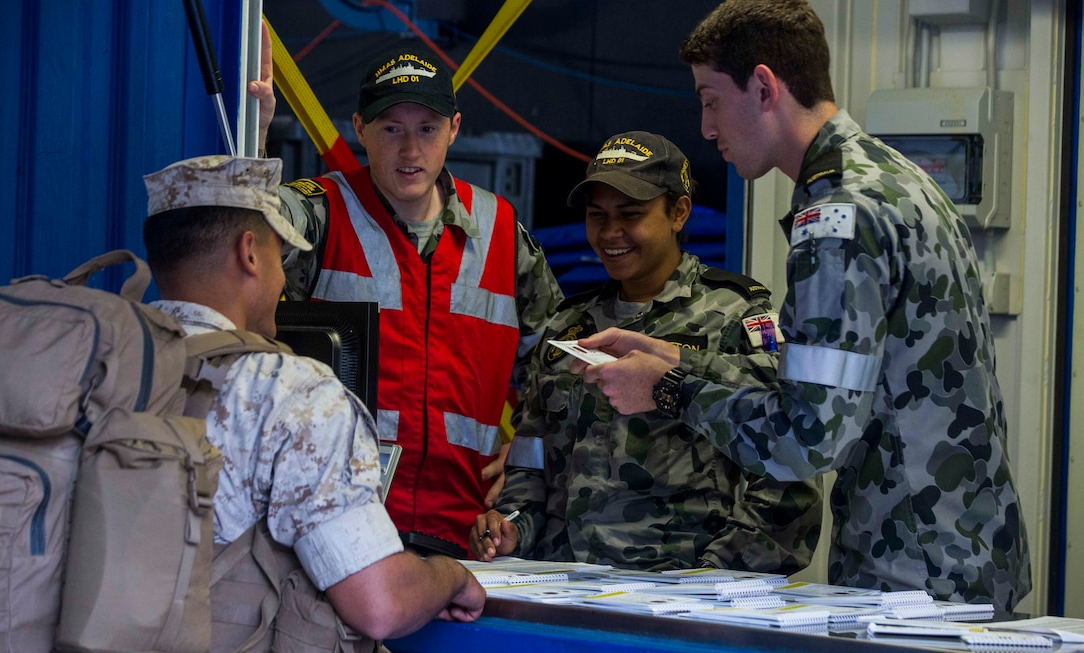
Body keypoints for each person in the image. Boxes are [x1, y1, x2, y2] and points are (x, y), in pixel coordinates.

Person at [571, 0, 1031, 611]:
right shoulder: (896, 177)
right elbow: (834, 379)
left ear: (763, 88)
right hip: (963, 550)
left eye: (711, 102)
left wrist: (668, 390)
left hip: (912, 576)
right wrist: (678, 357)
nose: (707, 130)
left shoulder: (834, 216)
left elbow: (811, 434)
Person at [141, 155, 486, 648]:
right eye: (280, 253)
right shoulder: (290, 392)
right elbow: (380, 605)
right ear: (250, 254)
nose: (284, 281)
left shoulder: (93, 366)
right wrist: (450, 575)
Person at [469, 131, 822, 574]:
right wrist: (512, 527)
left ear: (678, 212)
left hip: (680, 597)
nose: (610, 233)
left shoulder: (735, 318)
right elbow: (529, 466)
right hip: (566, 589)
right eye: (597, 215)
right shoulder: (568, 326)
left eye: (630, 215)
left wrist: (713, 575)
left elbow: (791, 472)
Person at [260, 44, 563, 555]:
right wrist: (258, 134)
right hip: (340, 530)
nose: (410, 150)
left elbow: (562, 362)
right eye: (391, 128)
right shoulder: (323, 210)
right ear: (359, 128)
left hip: (470, 535)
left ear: (454, 129)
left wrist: (532, 454)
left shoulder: (499, 230)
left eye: (426, 129)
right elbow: (242, 235)